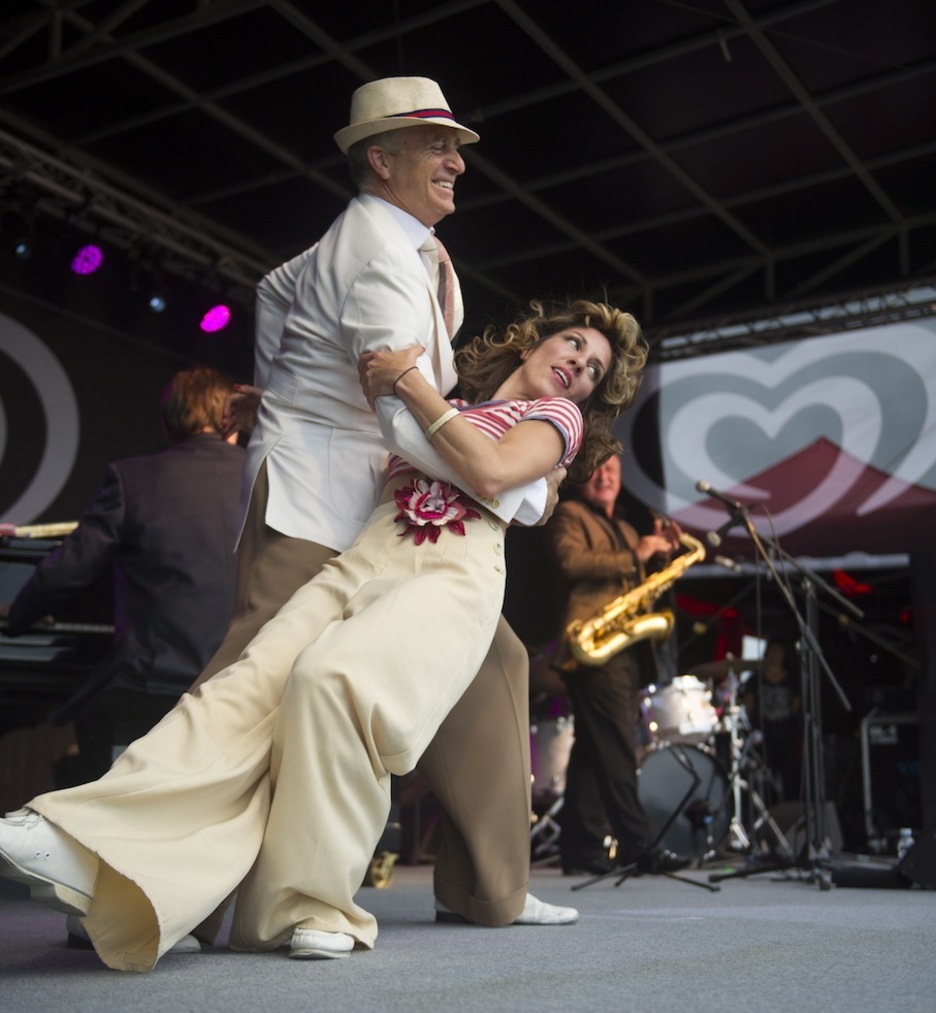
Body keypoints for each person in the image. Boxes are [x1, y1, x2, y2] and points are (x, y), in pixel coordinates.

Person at [0, 297, 647, 971]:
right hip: (366, 555)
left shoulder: (554, 418)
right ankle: (84, 838)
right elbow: (375, 432)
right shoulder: (455, 407)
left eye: (595, 368)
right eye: (573, 343)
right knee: (243, 690)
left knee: (332, 681)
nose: (580, 364)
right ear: (531, 344)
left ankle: (310, 902)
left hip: (449, 573)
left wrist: (407, 381)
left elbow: (487, 471)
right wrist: (281, 411)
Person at [188, 75, 562, 937]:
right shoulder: (379, 245)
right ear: (380, 158)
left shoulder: (410, 247)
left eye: (459, 146)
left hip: (377, 508)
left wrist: (281, 378)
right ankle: (126, 864)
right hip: (320, 500)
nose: (458, 161)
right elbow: (401, 403)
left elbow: (277, 290)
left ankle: (490, 888)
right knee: (252, 684)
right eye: (440, 145)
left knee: (494, 661)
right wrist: (501, 470)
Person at [0, 366, 244, 779]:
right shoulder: (266, 480)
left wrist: (18, 615)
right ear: (231, 419)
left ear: (171, 420)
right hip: (242, 682)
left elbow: (68, 571)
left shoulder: (134, 478)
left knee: (83, 737)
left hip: (157, 682)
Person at [545, 453, 688, 876]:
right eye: (597, 469)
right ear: (582, 475)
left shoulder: (626, 527)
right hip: (590, 645)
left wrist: (662, 557)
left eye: (612, 470)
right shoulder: (568, 514)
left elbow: (641, 585)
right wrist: (636, 552)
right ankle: (639, 846)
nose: (605, 477)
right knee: (617, 749)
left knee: (594, 751)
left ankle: (581, 850)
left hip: (623, 648)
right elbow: (570, 563)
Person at [741, 638, 802, 803]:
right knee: (766, 778)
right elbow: (749, 705)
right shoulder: (755, 680)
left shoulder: (792, 680)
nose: (775, 655)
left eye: (779, 651)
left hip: (786, 734)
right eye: (772, 651)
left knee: (790, 777)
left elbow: (796, 707)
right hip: (764, 734)